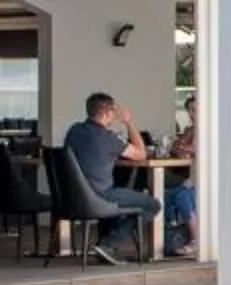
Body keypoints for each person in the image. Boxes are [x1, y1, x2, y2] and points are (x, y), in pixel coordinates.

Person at [63, 92, 159, 262]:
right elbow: (141, 154)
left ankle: (104, 247)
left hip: (72, 197)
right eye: (114, 111)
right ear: (106, 112)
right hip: (100, 196)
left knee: (123, 193)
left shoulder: (74, 131)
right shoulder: (108, 138)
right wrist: (129, 122)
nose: (115, 116)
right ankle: (108, 244)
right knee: (152, 205)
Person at [161, 97, 199, 259]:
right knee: (164, 194)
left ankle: (197, 240)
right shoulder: (190, 130)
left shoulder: (211, 129)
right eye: (189, 110)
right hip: (190, 178)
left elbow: (196, 149)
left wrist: (184, 147)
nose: (191, 114)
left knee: (183, 195)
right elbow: (178, 147)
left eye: (194, 110)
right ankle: (169, 236)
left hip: (207, 183)